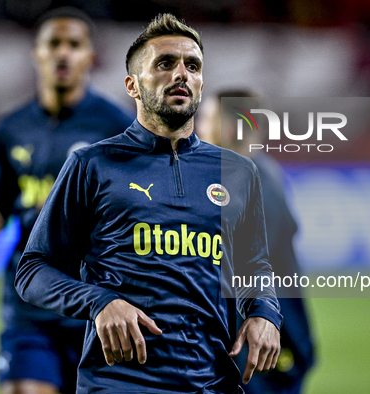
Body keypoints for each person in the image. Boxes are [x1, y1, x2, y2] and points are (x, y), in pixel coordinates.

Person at [14, 13, 282, 394]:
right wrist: (99, 302)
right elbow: (33, 271)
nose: (181, 74)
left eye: (193, 65)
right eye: (165, 63)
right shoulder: (92, 165)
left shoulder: (237, 172)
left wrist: (264, 312)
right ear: (132, 86)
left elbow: (254, 264)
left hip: (211, 381)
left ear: (202, 84)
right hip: (121, 382)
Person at [0, 7, 135, 394]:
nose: (63, 53)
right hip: (30, 303)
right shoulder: (10, 130)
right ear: (37, 53)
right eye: (54, 44)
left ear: (89, 56)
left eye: (74, 45)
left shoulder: (115, 127)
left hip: (94, 305)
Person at [197, 90, 315, 394]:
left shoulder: (249, 186)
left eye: (207, 119)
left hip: (264, 347)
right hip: (272, 341)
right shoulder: (260, 172)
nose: (198, 129)